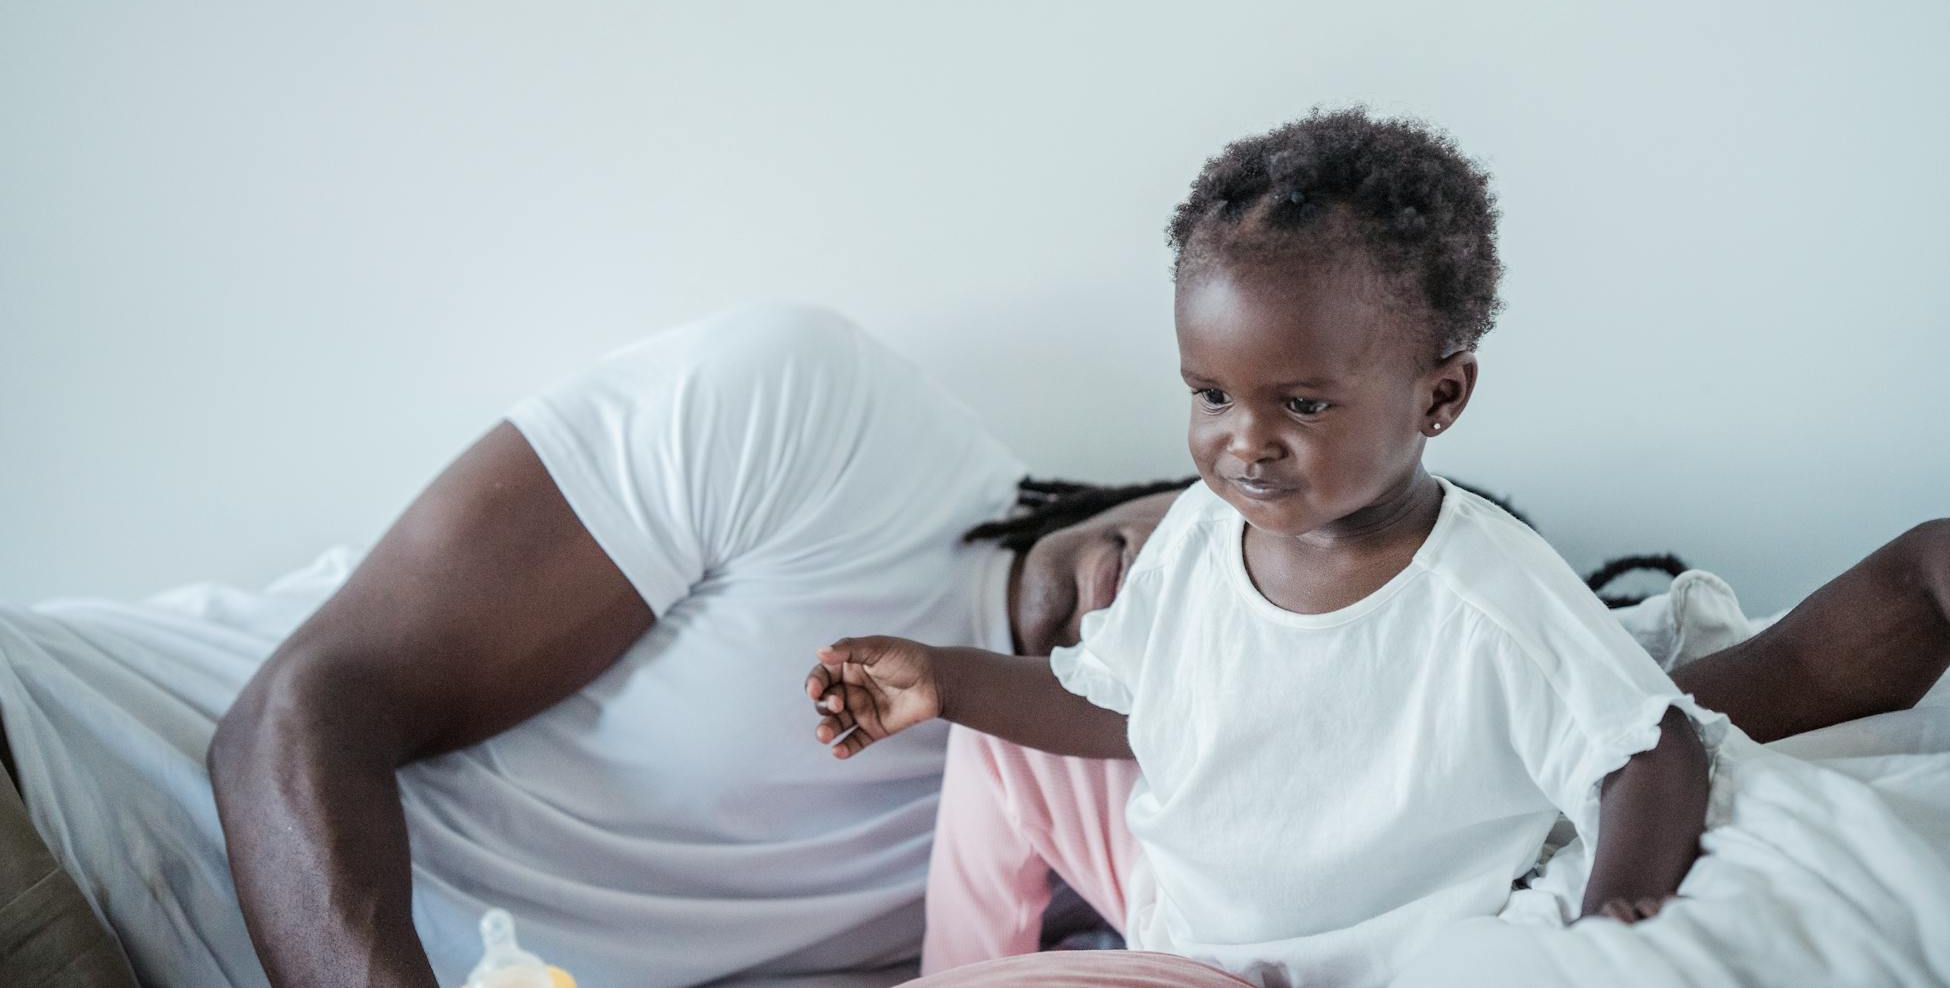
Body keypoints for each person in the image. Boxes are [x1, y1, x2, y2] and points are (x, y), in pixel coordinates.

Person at [0, 266, 1944, 987]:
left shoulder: (1205, 802)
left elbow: (1643, 715)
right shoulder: (818, 419)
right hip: (61, 782)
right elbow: (298, 718)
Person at [800, 112, 1919, 988]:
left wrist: (1616, 917)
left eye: (1302, 403)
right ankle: (959, 961)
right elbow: (1115, 702)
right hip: (1175, 903)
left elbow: (1650, 747)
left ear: (1441, 396)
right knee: (998, 748)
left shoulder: (1487, 591)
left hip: (1288, 966)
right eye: (1211, 393)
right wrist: (941, 681)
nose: (1245, 441)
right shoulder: (1201, 533)